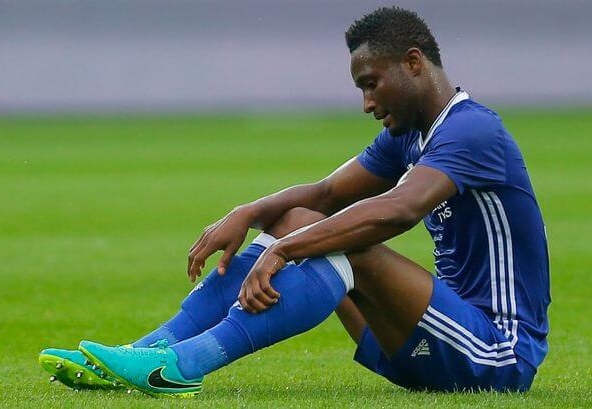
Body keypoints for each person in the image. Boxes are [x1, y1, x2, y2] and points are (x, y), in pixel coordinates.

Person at [41, 6, 550, 396]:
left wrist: (286, 250)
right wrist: (246, 214)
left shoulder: (473, 130)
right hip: (424, 341)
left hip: (496, 353)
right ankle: (149, 349)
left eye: (371, 84)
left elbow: (399, 210)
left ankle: (183, 365)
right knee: (297, 218)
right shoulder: (410, 137)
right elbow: (325, 194)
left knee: (341, 243)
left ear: (413, 63)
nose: (367, 103)